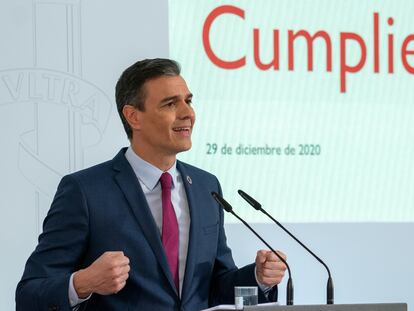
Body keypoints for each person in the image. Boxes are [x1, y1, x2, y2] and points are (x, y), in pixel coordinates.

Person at [16, 58, 287, 310]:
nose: (187, 113)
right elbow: (29, 294)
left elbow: (213, 287)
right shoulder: (85, 191)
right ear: (134, 116)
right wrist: (83, 282)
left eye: (188, 101)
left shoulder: (206, 186)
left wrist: (258, 277)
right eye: (170, 104)